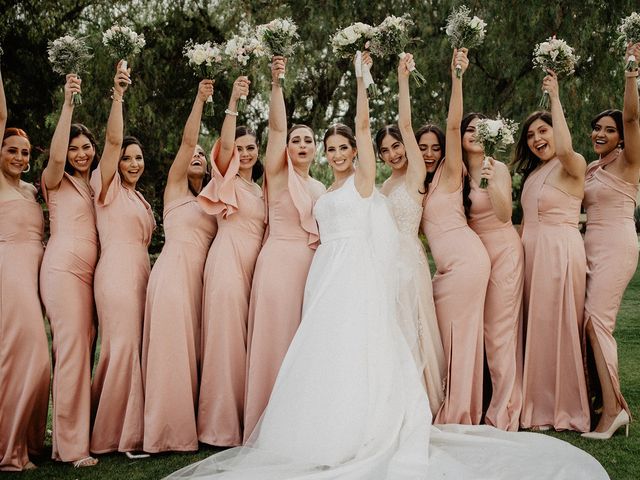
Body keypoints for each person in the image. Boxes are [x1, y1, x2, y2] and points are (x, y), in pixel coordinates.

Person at [165, 51, 609, 480]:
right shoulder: (318, 190)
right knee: (324, 352)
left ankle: (372, 426)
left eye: (344, 147)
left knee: (363, 348)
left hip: (356, 273)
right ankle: (325, 426)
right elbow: (280, 137)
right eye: (331, 147)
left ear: (356, 153)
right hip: (323, 274)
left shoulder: (362, 182)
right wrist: (274, 83)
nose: (338, 152)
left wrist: (362, 80)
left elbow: (364, 125)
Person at [243, 56, 325, 441]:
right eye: (296, 140)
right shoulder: (277, 175)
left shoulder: (322, 188)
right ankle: (265, 422)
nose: (302, 144)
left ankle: (299, 422)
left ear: (317, 149)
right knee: (274, 341)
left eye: (309, 139)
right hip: (277, 264)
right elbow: (277, 127)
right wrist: (276, 83)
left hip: (311, 270)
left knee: (302, 344)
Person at [141, 79, 217, 453]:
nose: (197, 154)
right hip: (172, 275)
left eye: (204, 153)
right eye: (193, 152)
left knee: (198, 352)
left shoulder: (216, 198)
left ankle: (197, 425)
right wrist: (199, 99)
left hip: (203, 282)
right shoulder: (175, 189)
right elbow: (188, 141)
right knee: (172, 350)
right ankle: (166, 433)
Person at [513, 70, 589, 432]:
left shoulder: (572, 166)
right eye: (530, 135)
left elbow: (566, 146)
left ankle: (560, 405)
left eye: (542, 131)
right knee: (536, 324)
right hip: (531, 253)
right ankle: (536, 401)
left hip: (559, 250)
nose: (536, 139)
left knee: (557, 325)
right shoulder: (532, 176)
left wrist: (555, 98)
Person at [420, 49, 490, 425]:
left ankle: (459, 412)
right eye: (423, 147)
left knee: (459, 337)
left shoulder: (450, 172)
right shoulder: (423, 188)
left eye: (435, 147)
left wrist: (457, 77)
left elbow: (452, 126)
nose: (430, 153)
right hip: (447, 269)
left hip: (467, 263)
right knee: (446, 336)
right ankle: (449, 404)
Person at [90, 61, 156, 456]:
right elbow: (112, 142)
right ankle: (120, 437)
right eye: (128, 158)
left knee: (131, 347)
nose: (133, 163)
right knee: (123, 348)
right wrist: (118, 95)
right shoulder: (108, 186)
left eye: (139, 158)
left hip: (140, 272)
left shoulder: (139, 197)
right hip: (115, 273)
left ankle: (114, 430)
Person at [375, 53, 445, 416]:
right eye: (384, 151)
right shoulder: (383, 185)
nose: (392, 153)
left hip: (411, 258)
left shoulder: (417, 174)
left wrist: (402, 78)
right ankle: (396, 403)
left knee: (415, 325)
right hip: (387, 262)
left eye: (396, 146)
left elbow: (405, 122)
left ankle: (423, 400)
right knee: (393, 329)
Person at [197, 76, 265, 446]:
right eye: (240, 147)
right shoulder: (226, 178)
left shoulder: (261, 187)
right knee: (225, 341)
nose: (245, 152)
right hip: (227, 260)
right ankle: (218, 428)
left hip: (255, 267)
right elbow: (223, 143)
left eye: (251, 146)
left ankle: (245, 420)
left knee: (245, 343)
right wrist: (233, 102)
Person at [40, 74, 100, 467]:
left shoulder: (95, 184)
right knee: (73, 352)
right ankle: (72, 448)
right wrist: (68, 104)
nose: (80, 154)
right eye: (74, 148)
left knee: (81, 353)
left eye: (85, 147)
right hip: (62, 271)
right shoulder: (54, 180)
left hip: (91, 276)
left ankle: (70, 437)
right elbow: (58, 157)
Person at [581, 42, 640, 439]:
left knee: (596, 321)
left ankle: (614, 410)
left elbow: (634, 117)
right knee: (584, 322)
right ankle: (598, 399)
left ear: (621, 138)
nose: (600, 134)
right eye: (597, 128)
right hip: (586, 246)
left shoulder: (631, 160)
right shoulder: (588, 167)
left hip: (617, 245)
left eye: (609, 130)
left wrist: (631, 73)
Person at [461, 112, 525, 431]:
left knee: (498, 332)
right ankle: (482, 398)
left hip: (503, 250)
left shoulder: (497, 167)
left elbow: (503, 213)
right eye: (467, 129)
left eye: (478, 130)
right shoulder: (456, 173)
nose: (472, 134)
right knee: (479, 330)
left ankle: (505, 410)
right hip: (475, 257)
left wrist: (492, 179)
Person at [0, 67, 50, 471]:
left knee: (25, 356)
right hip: (9, 274)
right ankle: (10, 448)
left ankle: (31, 440)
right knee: (30, 352)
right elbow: (0, 116)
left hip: (36, 275)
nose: (18, 157)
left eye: (24, 153)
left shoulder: (32, 191)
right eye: (11, 150)